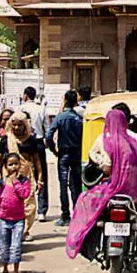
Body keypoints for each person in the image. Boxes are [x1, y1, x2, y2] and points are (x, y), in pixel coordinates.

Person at [65, 108, 137, 259]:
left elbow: (106, 168)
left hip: (111, 189)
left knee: (84, 201)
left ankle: (86, 242)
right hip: (132, 192)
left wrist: (101, 165)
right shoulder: (134, 142)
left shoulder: (105, 140)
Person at [90, 102, 137, 255]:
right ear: (128, 121)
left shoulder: (101, 139)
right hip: (133, 194)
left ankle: (94, 240)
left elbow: (93, 160)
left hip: (108, 192)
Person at [0, 111, 42, 238]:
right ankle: (11, 230)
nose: (17, 128)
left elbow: (36, 161)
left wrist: (40, 179)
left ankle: (24, 230)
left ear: (25, 125)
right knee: (10, 202)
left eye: (20, 125)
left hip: (26, 175)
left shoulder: (31, 140)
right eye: (14, 125)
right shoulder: (6, 140)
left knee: (28, 205)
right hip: (8, 176)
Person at [0, 152, 31, 273]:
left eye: (16, 163)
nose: (13, 167)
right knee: (4, 247)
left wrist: (16, 182)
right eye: (10, 164)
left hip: (18, 220)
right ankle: (5, 271)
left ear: (20, 165)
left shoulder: (24, 181)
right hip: (4, 220)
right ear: (6, 166)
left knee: (16, 247)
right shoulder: (2, 182)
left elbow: (24, 195)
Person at [46, 90, 83, 227]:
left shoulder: (60, 117)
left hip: (63, 153)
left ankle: (65, 215)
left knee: (63, 185)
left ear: (65, 100)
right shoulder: (79, 118)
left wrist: (53, 149)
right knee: (76, 184)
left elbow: (49, 136)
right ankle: (77, 213)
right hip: (77, 153)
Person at [21, 87, 49, 221]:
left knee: (23, 174)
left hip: (23, 144)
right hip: (38, 143)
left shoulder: (19, 109)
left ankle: (24, 208)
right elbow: (47, 129)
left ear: (25, 95)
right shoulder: (41, 109)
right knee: (41, 174)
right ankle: (42, 210)